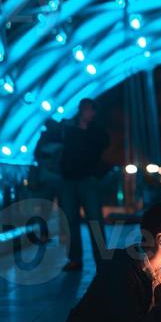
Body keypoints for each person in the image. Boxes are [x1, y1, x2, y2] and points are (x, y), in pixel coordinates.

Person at [59, 98, 110, 271]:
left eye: (91, 110)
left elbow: (104, 144)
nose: (89, 112)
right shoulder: (68, 128)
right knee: (70, 220)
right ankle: (75, 258)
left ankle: (102, 259)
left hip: (88, 180)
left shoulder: (97, 131)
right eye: (86, 109)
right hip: (68, 180)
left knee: (95, 219)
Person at [29, 118, 65, 243]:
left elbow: (36, 155)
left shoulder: (42, 140)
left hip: (45, 179)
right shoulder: (63, 139)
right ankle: (63, 236)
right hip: (61, 179)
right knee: (64, 209)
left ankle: (44, 235)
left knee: (45, 209)